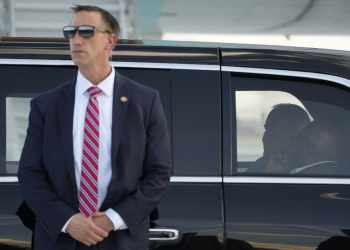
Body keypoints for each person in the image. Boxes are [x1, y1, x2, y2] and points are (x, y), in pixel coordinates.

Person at [17, 5, 171, 250]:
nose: (76, 40)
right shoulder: (46, 105)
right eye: (71, 32)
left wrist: (114, 219)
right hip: (62, 239)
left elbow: (158, 173)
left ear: (110, 41)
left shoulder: (145, 101)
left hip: (120, 240)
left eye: (86, 32)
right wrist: (68, 221)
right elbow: (29, 173)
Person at [262, 120, 349, 174]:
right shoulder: (339, 174)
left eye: (297, 140)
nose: (293, 145)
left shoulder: (302, 180)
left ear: (306, 148)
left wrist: (268, 174)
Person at [246, 103, 310, 172]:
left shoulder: (304, 174)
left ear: (296, 140)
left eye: (274, 133)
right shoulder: (263, 161)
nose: (264, 138)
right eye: (266, 130)